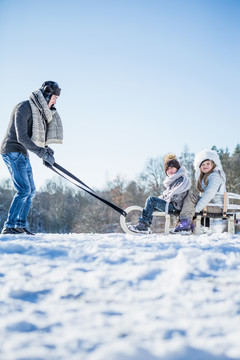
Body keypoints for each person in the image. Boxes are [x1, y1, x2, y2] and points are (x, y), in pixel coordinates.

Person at [1, 81, 63, 235]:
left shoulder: (38, 112)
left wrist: (46, 151)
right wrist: (40, 152)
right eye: (54, 97)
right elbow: (22, 137)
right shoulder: (24, 108)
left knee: (31, 191)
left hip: (22, 153)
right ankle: (9, 226)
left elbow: (35, 138)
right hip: (12, 150)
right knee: (23, 190)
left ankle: (19, 225)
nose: (55, 101)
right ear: (46, 95)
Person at [128, 153, 191, 234]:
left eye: (172, 167)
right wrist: (163, 198)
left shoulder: (181, 179)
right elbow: (169, 195)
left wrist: (165, 198)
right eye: (167, 169)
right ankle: (144, 225)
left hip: (176, 206)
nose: (170, 170)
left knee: (151, 200)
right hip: (172, 205)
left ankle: (143, 226)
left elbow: (178, 197)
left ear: (177, 169)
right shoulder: (173, 180)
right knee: (150, 206)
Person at [172, 149, 226, 233]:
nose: (205, 166)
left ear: (213, 164)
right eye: (203, 164)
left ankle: (185, 224)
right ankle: (187, 224)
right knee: (189, 197)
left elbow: (209, 194)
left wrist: (196, 210)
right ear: (199, 167)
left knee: (191, 197)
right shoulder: (206, 177)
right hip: (212, 204)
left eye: (208, 163)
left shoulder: (214, 176)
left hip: (218, 206)